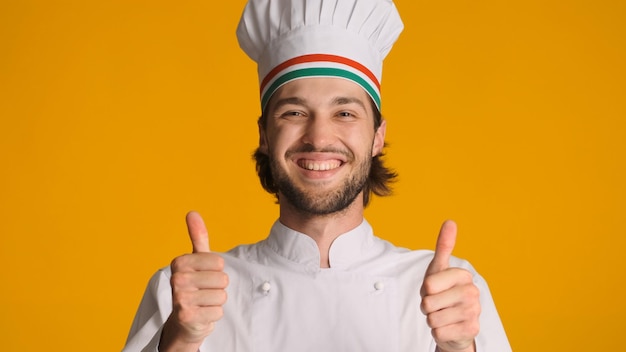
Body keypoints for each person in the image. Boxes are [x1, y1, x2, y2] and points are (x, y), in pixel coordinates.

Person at [122, 0, 511, 351]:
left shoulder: (453, 290)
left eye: (344, 113)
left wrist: (461, 350)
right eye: (294, 112)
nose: (319, 137)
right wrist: (181, 342)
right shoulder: (186, 291)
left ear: (377, 136)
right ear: (264, 134)